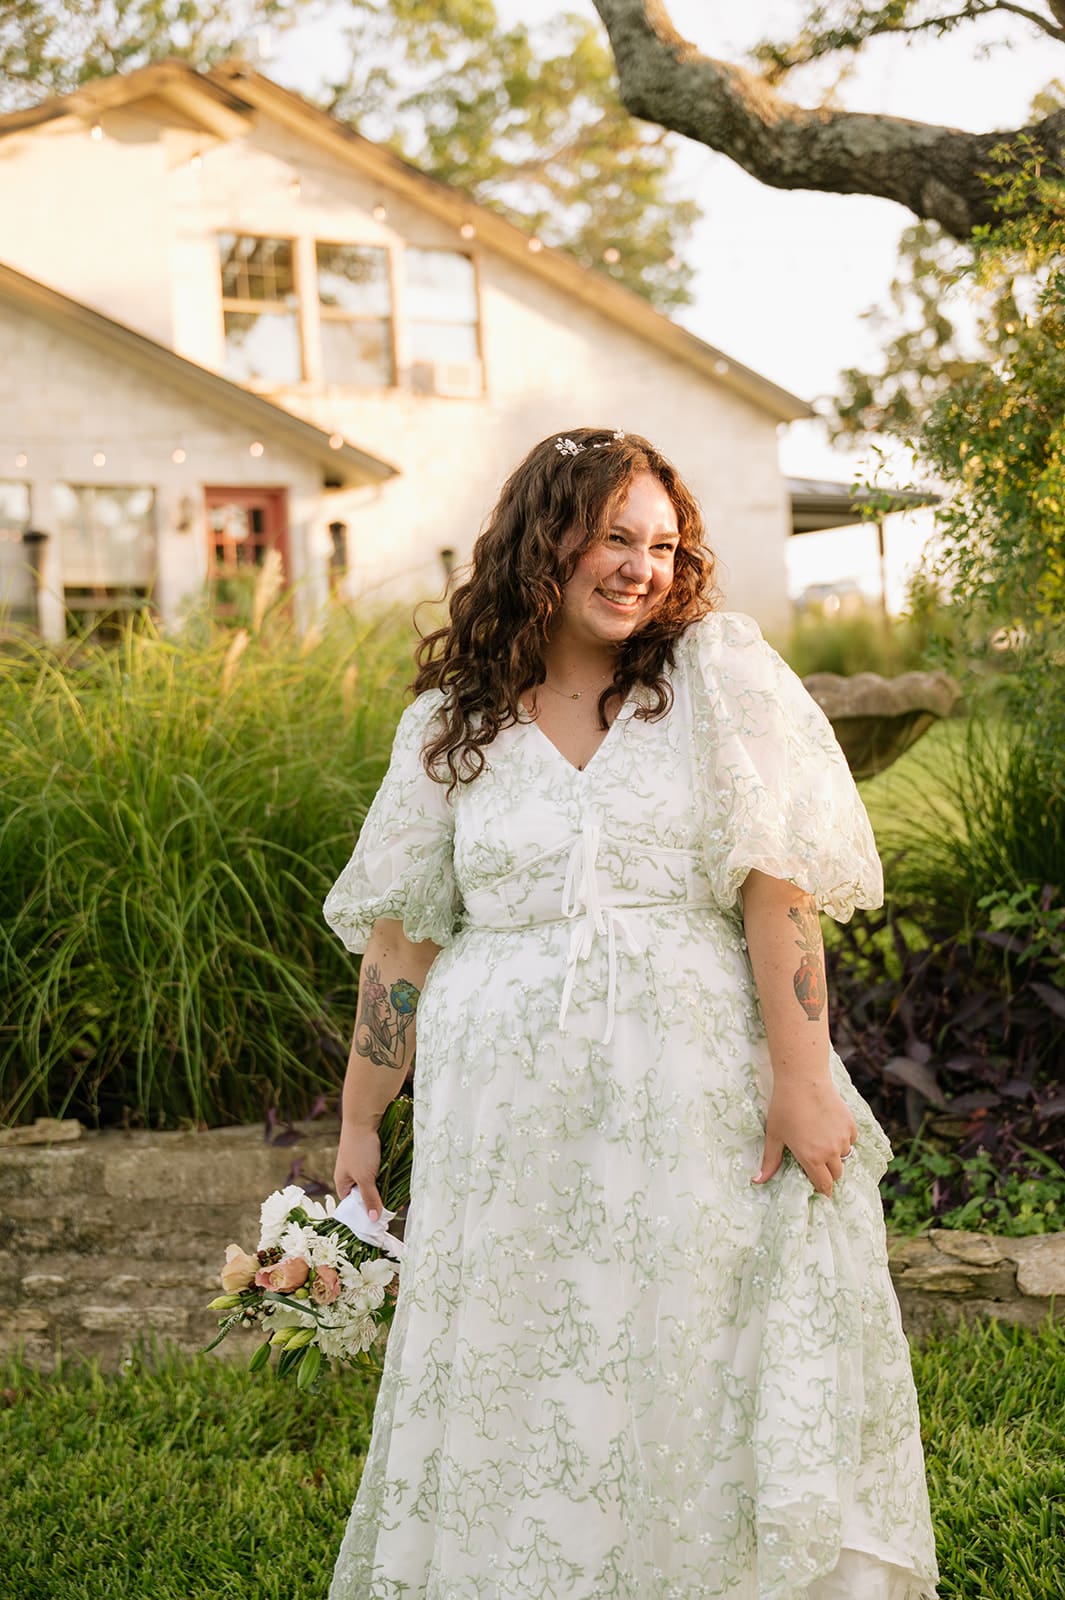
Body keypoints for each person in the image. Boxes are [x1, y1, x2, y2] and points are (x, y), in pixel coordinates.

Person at [323, 428, 939, 1600]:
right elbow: (400, 945)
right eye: (615, 537)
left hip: (693, 1089)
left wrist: (804, 1076)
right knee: (527, 1352)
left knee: (691, 1339)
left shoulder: (713, 676)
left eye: (662, 543)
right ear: (542, 539)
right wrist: (360, 1125)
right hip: (505, 1116)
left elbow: (778, 886)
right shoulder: (449, 725)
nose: (641, 567)